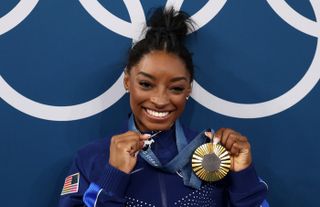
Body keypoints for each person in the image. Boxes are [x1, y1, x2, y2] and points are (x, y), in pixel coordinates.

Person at [58, 7, 268, 207]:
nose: (159, 100)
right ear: (127, 81)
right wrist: (113, 177)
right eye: (146, 84)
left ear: (188, 90)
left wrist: (244, 176)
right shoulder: (92, 159)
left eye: (175, 88)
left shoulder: (217, 156)